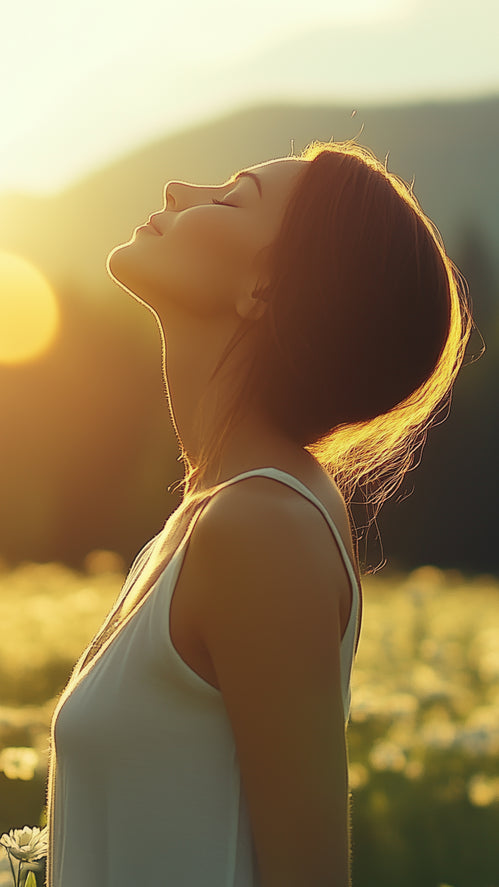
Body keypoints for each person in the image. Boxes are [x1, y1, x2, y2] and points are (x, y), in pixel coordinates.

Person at [45, 139, 472, 887]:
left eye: (232, 195)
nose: (180, 187)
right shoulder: (201, 524)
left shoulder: (262, 526)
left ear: (263, 288)